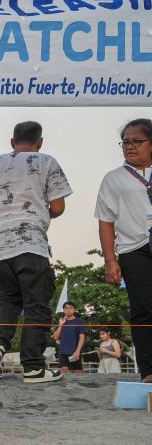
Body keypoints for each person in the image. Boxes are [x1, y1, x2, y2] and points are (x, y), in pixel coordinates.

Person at [0, 121, 72, 383]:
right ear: (40, 142)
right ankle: (34, 367)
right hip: (29, 243)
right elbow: (59, 206)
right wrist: (37, 213)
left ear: (12, 141)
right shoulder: (46, 161)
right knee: (36, 303)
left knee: (6, 299)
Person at [95, 118, 152, 383]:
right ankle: (149, 370)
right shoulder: (113, 178)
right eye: (126, 142)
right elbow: (106, 221)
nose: (130, 147)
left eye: (137, 141)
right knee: (143, 309)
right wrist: (110, 260)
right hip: (134, 249)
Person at [52, 301, 88, 374]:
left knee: (77, 373)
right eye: (66, 308)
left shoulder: (80, 322)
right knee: (64, 371)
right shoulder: (61, 321)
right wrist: (61, 325)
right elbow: (55, 337)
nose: (68, 310)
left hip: (75, 351)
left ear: (74, 310)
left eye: (70, 308)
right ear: (63, 310)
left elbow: (82, 337)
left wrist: (78, 351)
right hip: (63, 352)